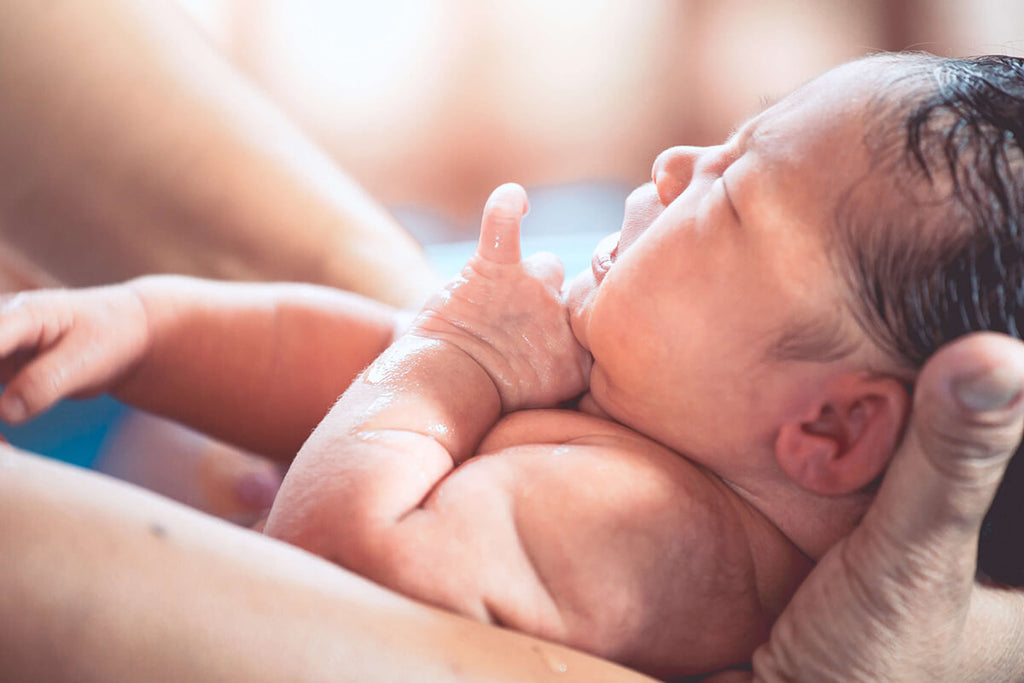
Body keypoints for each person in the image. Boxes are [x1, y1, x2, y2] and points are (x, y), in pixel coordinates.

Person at [0, 51, 1022, 679]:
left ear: (828, 429)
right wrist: (141, 328)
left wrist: (452, 358)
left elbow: (329, 573)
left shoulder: (643, 521)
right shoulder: (659, 406)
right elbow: (338, 351)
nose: (674, 163)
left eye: (731, 194)